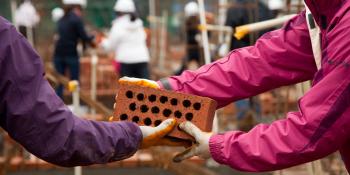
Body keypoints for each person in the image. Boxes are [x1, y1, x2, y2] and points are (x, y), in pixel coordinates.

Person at [120, 0, 350, 172]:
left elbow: (312, 130)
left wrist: (219, 145)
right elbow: (258, 62)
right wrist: (168, 89)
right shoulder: (326, 12)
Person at [0, 15, 185, 166]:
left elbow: (52, 130)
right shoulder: (4, 37)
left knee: (126, 93)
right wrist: (135, 134)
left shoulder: (10, 36)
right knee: (141, 95)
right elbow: (56, 132)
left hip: (88, 56)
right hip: (140, 60)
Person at [53, 0, 94, 98]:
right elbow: (84, 36)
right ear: (77, 8)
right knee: (74, 81)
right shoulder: (76, 19)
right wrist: (92, 38)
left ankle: (59, 105)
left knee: (60, 82)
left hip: (58, 54)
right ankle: (75, 102)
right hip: (71, 54)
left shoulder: (62, 18)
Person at [101, 0, 150, 79]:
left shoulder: (117, 25)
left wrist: (103, 43)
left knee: (128, 89)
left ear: (118, 12)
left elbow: (111, 46)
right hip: (142, 60)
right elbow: (144, 37)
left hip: (125, 62)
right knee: (145, 88)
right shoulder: (138, 23)